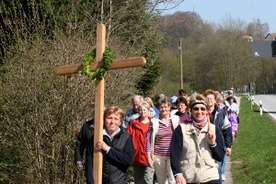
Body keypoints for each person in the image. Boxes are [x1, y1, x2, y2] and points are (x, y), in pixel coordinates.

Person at [170, 93, 225, 184]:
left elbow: (220, 156)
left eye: (202, 109)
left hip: (210, 177)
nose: (199, 112)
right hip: (189, 177)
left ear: (207, 111)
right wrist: (178, 174)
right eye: (196, 109)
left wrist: (212, 144)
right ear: (190, 110)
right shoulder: (181, 129)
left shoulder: (213, 129)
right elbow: (174, 153)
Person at [87, 106, 134, 184]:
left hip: (120, 181)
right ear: (104, 120)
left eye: (116, 119)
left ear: (120, 122)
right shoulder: (96, 137)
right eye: (109, 118)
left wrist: (108, 149)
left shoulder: (126, 138)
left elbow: (128, 160)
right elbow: (89, 163)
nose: (112, 121)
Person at [146, 96, 180, 184]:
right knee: (161, 181)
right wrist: (149, 156)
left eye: (165, 107)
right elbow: (148, 140)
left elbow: (180, 137)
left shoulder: (176, 119)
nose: (163, 109)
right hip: (158, 156)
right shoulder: (154, 121)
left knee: (173, 180)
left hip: (172, 155)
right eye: (161, 107)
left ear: (169, 107)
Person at [203, 89, 232, 183]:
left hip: (218, 145)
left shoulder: (221, 113)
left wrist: (228, 146)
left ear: (215, 100)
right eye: (207, 98)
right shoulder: (201, 113)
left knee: (218, 169)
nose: (209, 100)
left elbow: (227, 129)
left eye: (211, 98)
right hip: (204, 146)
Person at [127, 101, 155, 184]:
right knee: (138, 181)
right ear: (138, 111)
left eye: (145, 110)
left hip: (149, 156)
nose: (143, 112)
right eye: (141, 110)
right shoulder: (133, 124)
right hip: (137, 156)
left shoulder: (153, 123)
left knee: (148, 180)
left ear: (148, 110)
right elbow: (127, 138)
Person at [74, 119, 95, 184]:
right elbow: (80, 145)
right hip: (91, 165)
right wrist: (78, 161)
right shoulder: (87, 126)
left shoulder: (110, 126)